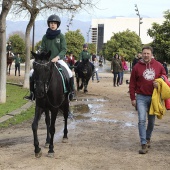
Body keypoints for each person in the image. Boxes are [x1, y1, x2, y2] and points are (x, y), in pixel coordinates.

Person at [24, 14, 75, 101]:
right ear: (49, 24)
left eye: (54, 23)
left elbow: (64, 49)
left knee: (70, 73)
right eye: (51, 23)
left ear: (57, 25)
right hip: (46, 61)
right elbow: (43, 49)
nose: (53, 24)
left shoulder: (61, 36)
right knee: (31, 73)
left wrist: (57, 57)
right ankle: (32, 93)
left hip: (58, 60)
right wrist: (41, 56)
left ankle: (71, 92)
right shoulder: (45, 37)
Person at [129, 46, 166, 154]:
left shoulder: (158, 65)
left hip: (154, 97)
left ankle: (148, 137)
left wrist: (160, 81)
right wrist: (132, 98)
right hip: (140, 97)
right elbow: (132, 84)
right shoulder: (136, 67)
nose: (146, 55)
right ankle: (143, 143)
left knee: (151, 121)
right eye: (144, 53)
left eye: (148, 53)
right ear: (141, 54)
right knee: (141, 120)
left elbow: (164, 75)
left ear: (151, 54)